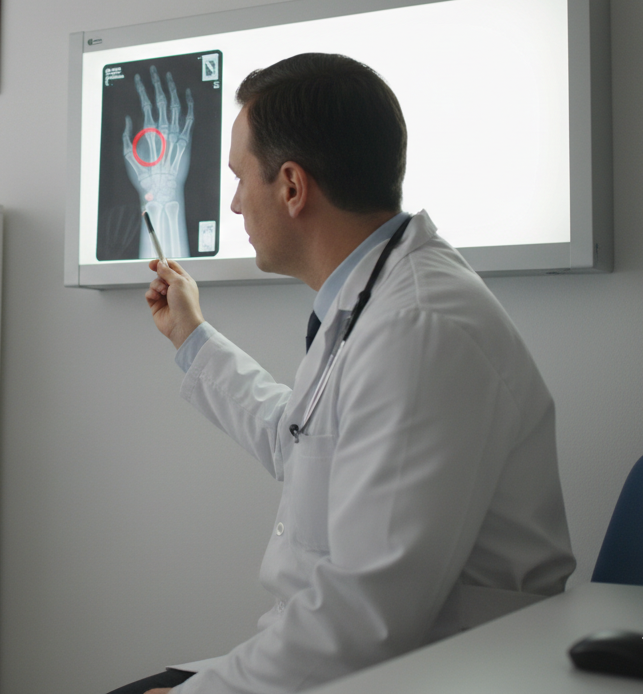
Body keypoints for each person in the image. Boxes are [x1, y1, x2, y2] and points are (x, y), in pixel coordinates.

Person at [124, 53, 576, 694]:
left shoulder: (417, 328)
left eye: (238, 178)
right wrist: (191, 336)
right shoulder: (375, 299)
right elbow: (300, 438)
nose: (232, 204)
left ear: (290, 186)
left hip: (433, 672)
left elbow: (365, 614)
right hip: (366, 658)